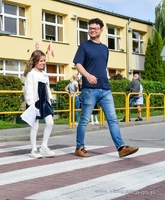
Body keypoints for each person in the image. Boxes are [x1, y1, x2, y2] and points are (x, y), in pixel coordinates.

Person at [73, 18, 139, 158]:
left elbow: (102, 66)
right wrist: (87, 75)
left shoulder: (104, 48)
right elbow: (78, 64)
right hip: (89, 89)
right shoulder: (84, 46)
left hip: (105, 89)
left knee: (112, 119)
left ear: (101, 30)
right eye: (90, 28)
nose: (92, 30)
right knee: (84, 119)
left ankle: (121, 148)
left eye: (95, 28)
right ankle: (79, 147)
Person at [23, 50, 55, 159]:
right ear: (35, 61)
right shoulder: (31, 74)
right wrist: (31, 104)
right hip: (35, 102)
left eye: (44, 61)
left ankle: (44, 147)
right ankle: (34, 150)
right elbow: (28, 90)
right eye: (41, 61)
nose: (43, 63)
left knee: (50, 123)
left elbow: (47, 89)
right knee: (35, 126)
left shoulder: (44, 74)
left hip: (44, 102)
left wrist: (49, 100)